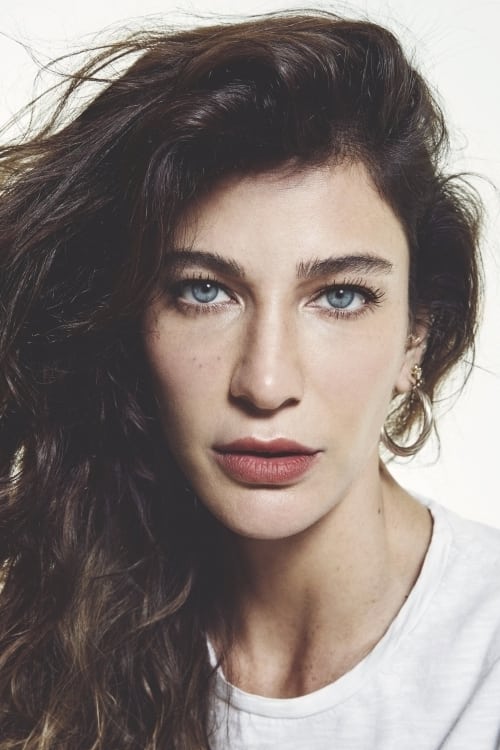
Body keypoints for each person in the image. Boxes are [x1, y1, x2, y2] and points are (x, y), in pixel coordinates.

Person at [0, 9, 499, 750]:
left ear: (415, 335)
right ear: (133, 321)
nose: (265, 384)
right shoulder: (54, 627)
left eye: (340, 296)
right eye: (204, 291)